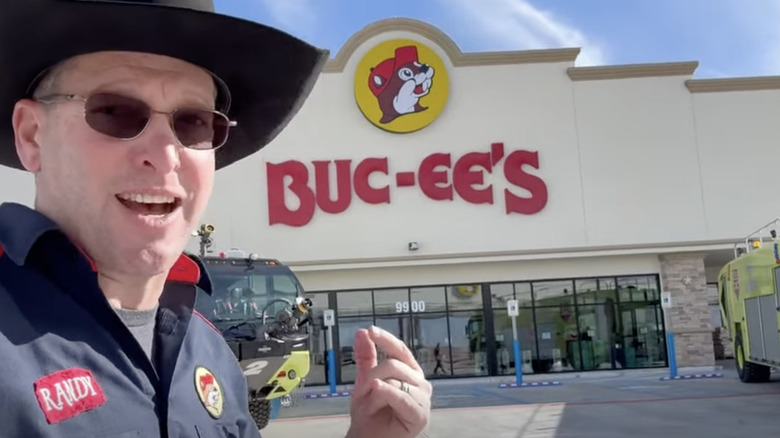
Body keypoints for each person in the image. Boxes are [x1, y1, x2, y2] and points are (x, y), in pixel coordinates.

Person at [0, 1, 432, 437]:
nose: (167, 155)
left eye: (194, 122)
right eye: (115, 112)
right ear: (32, 136)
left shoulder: (209, 351)